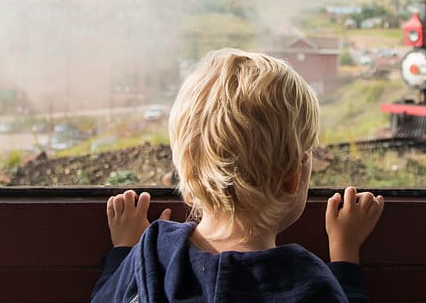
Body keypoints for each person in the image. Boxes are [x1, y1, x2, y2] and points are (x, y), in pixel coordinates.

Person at [91, 49, 385, 302]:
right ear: (291, 179)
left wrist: (125, 251)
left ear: (186, 176)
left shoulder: (152, 252)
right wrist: (344, 253)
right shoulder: (308, 284)